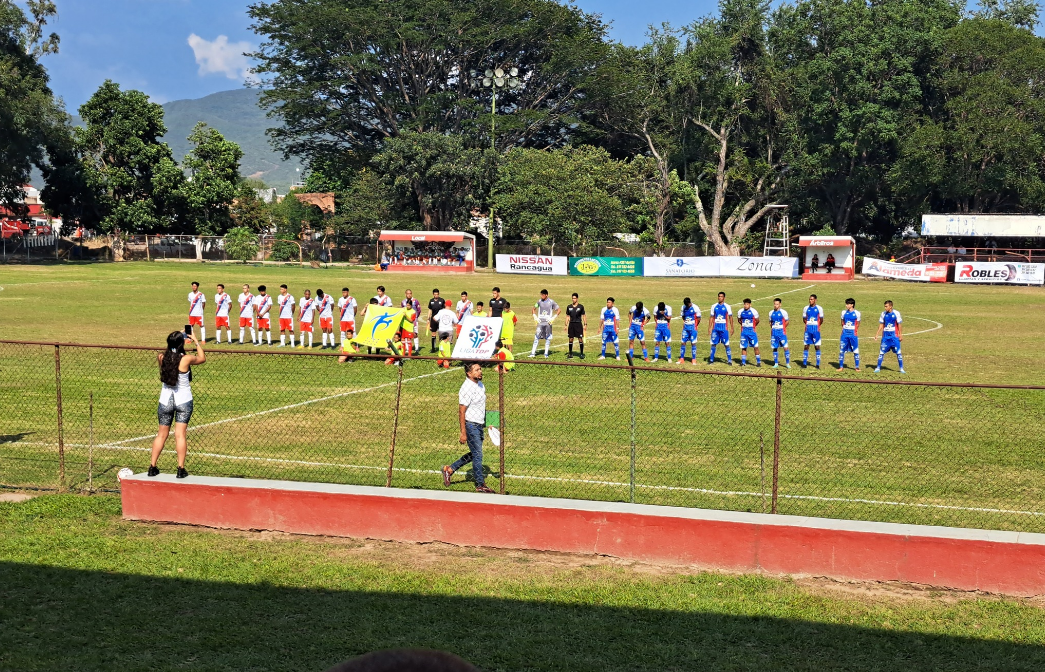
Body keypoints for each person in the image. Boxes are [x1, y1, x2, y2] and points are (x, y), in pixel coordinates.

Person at [148, 331, 205, 479]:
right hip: (183, 400)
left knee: (161, 435)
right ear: (181, 344)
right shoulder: (185, 359)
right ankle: (180, 468)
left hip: (165, 400)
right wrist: (196, 341)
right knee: (180, 435)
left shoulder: (161, 357)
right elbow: (202, 358)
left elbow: (170, 352)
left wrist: (178, 335)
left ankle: (152, 466)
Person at [441, 361, 495, 493]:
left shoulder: (480, 385)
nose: (480, 371)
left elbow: (481, 406)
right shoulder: (466, 388)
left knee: (475, 454)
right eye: (476, 370)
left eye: (480, 369)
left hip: (479, 425)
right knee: (478, 455)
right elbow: (461, 411)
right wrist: (463, 432)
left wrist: (489, 422)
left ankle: (449, 469)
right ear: (469, 373)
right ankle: (480, 484)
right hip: (470, 425)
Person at [874, 300, 905, 373]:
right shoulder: (883, 314)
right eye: (884, 306)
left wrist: (900, 334)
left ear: (890, 306)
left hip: (894, 336)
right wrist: (877, 334)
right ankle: (878, 367)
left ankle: (901, 368)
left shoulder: (896, 313)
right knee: (881, 352)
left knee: (898, 353)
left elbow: (899, 324)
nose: (885, 308)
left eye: (886, 306)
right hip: (885, 337)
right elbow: (881, 324)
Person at [530, 289, 560, 358]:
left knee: (548, 338)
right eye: (541, 295)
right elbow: (533, 309)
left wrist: (553, 318)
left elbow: (559, 310)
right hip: (540, 322)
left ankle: (546, 353)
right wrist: (535, 317)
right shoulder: (539, 301)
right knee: (536, 337)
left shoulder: (551, 302)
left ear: (546, 295)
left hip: (548, 323)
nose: (541, 296)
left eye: (543, 295)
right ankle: (532, 353)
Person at [707, 292, 733, 365]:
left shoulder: (727, 306)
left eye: (721, 296)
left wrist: (732, 328)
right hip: (715, 329)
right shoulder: (714, 306)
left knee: (726, 344)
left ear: (724, 298)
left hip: (724, 329)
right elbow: (711, 317)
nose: (720, 298)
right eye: (719, 296)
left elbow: (730, 317)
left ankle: (729, 360)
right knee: (713, 344)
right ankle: (711, 360)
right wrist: (709, 328)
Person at [838, 298, 862, 371]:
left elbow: (858, 324)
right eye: (846, 304)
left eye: (848, 304)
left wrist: (853, 330)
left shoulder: (857, 313)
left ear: (852, 305)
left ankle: (857, 367)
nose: (846, 305)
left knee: (855, 350)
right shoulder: (843, 312)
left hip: (853, 334)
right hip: (844, 334)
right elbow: (842, 322)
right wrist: (845, 328)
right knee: (842, 350)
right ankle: (841, 367)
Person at [802, 294, 824, 369]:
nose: (810, 301)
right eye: (810, 299)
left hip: (816, 330)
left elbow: (821, 320)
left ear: (815, 300)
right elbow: (804, 319)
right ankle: (804, 363)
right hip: (808, 330)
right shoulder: (805, 308)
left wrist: (816, 325)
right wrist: (808, 324)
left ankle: (817, 364)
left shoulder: (819, 308)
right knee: (806, 346)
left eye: (812, 299)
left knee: (817, 346)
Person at [768, 298, 791, 369]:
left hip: (782, 333)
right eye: (774, 304)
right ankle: (776, 363)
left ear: (780, 304)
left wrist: (782, 328)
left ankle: (787, 363)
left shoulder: (784, 312)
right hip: (774, 333)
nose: (775, 305)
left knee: (785, 347)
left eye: (777, 304)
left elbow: (787, 321)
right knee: (775, 348)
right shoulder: (770, 313)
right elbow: (770, 322)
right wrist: (773, 328)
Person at [738, 298, 761, 367]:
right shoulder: (740, 311)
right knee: (743, 347)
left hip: (752, 332)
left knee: (755, 347)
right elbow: (739, 320)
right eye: (744, 304)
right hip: (744, 332)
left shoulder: (754, 312)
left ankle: (758, 362)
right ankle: (743, 362)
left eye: (747, 304)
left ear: (750, 305)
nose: (745, 306)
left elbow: (757, 320)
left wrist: (753, 326)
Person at [678, 297, 700, 365]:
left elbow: (699, 318)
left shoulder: (695, 308)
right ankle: (681, 358)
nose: (688, 306)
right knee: (683, 342)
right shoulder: (683, 307)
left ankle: (693, 359)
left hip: (693, 328)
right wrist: (685, 322)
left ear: (690, 302)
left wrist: (695, 325)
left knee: (693, 343)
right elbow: (683, 316)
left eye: (689, 304)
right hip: (685, 328)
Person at [565, 293, 587, 359]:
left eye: (574, 298)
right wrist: (566, 325)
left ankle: (581, 353)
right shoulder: (569, 307)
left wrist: (585, 324)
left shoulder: (581, 307)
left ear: (577, 299)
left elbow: (583, 316)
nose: (573, 299)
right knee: (571, 339)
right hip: (571, 324)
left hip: (578, 324)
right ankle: (570, 353)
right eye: (572, 298)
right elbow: (567, 316)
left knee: (580, 339)